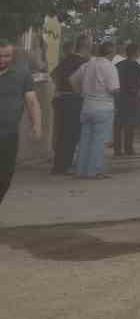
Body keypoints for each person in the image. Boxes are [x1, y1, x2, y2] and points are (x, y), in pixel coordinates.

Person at [0, 40, 45, 206]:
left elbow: (32, 101)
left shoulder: (22, 74)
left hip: (8, 135)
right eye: (0, 56)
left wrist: (37, 125)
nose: (3, 59)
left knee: (5, 176)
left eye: (7, 56)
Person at [70, 41, 120, 180]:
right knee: (99, 141)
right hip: (103, 107)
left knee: (85, 139)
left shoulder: (88, 64)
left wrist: (81, 94)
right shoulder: (109, 67)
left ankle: (81, 171)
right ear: (110, 52)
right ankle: (95, 171)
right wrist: (117, 104)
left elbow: (72, 80)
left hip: (87, 106)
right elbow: (114, 89)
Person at [51, 37, 90, 175]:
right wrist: (78, 91)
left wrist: (59, 89)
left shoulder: (66, 59)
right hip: (74, 100)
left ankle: (58, 165)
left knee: (61, 133)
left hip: (61, 99)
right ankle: (65, 166)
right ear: (86, 46)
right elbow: (82, 82)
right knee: (71, 134)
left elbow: (53, 75)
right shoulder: (83, 62)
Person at [114, 42, 140, 158]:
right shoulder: (135, 65)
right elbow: (134, 84)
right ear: (136, 52)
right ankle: (128, 148)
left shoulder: (118, 65)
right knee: (129, 125)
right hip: (131, 98)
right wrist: (138, 94)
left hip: (118, 97)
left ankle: (117, 150)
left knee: (118, 125)